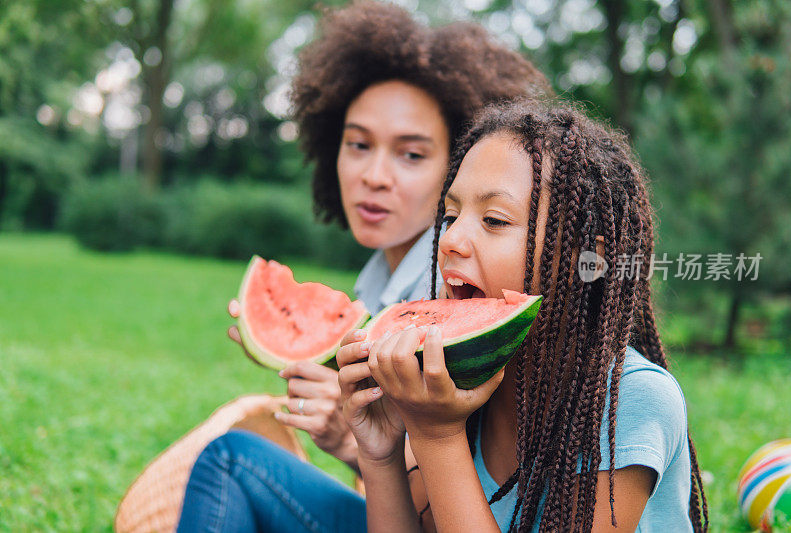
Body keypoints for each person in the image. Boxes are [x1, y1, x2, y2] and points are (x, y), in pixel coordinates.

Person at [175, 2, 549, 531]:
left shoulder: (461, 285)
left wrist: (355, 441)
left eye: (411, 155)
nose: (374, 175)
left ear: (460, 164)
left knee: (233, 460)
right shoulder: (377, 280)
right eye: (358, 145)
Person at [337, 99, 709, 532]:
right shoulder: (456, 382)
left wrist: (437, 436)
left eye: (494, 220)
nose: (451, 239)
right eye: (452, 214)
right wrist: (380, 453)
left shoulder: (632, 399)